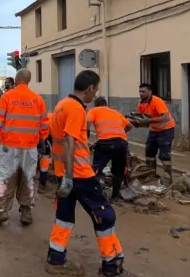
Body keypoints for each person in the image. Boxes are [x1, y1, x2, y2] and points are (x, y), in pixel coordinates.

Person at [45, 70, 126, 276]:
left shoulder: (61, 105)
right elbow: (69, 141)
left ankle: (55, 258)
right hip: (79, 175)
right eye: (95, 89)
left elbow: (63, 139)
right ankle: (111, 263)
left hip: (65, 174)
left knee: (64, 217)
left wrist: (64, 175)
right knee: (105, 215)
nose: (94, 93)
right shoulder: (76, 108)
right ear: (90, 88)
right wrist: (71, 177)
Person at [0, 69, 49, 226]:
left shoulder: (8, 97)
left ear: (16, 79)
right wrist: (42, 140)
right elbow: (43, 124)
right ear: (28, 81)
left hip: (9, 147)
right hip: (29, 148)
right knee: (27, 179)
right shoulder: (37, 99)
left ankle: (1, 212)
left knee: (4, 178)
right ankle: (26, 212)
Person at [88, 96, 134, 200]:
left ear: (96, 105)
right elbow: (130, 125)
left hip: (105, 143)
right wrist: (119, 133)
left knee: (97, 169)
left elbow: (87, 122)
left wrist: (85, 139)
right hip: (122, 143)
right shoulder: (115, 112)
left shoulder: (94, 110)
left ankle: (98, 194)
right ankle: (115, 197)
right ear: (106, 104)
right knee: (119, 171)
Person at [136, 83, 176, 182]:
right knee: (149, 152)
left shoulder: (157, 101)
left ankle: (168, 179)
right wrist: (135, 123)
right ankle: (151, 174)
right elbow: (145, 121)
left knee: (164, 155)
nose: (141, 94)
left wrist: (148, 121)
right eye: (140, 92)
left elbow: (166, 117)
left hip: (166, 129)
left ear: (150, 92)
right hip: (154, 130)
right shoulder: (141, 105)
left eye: (143, 91)